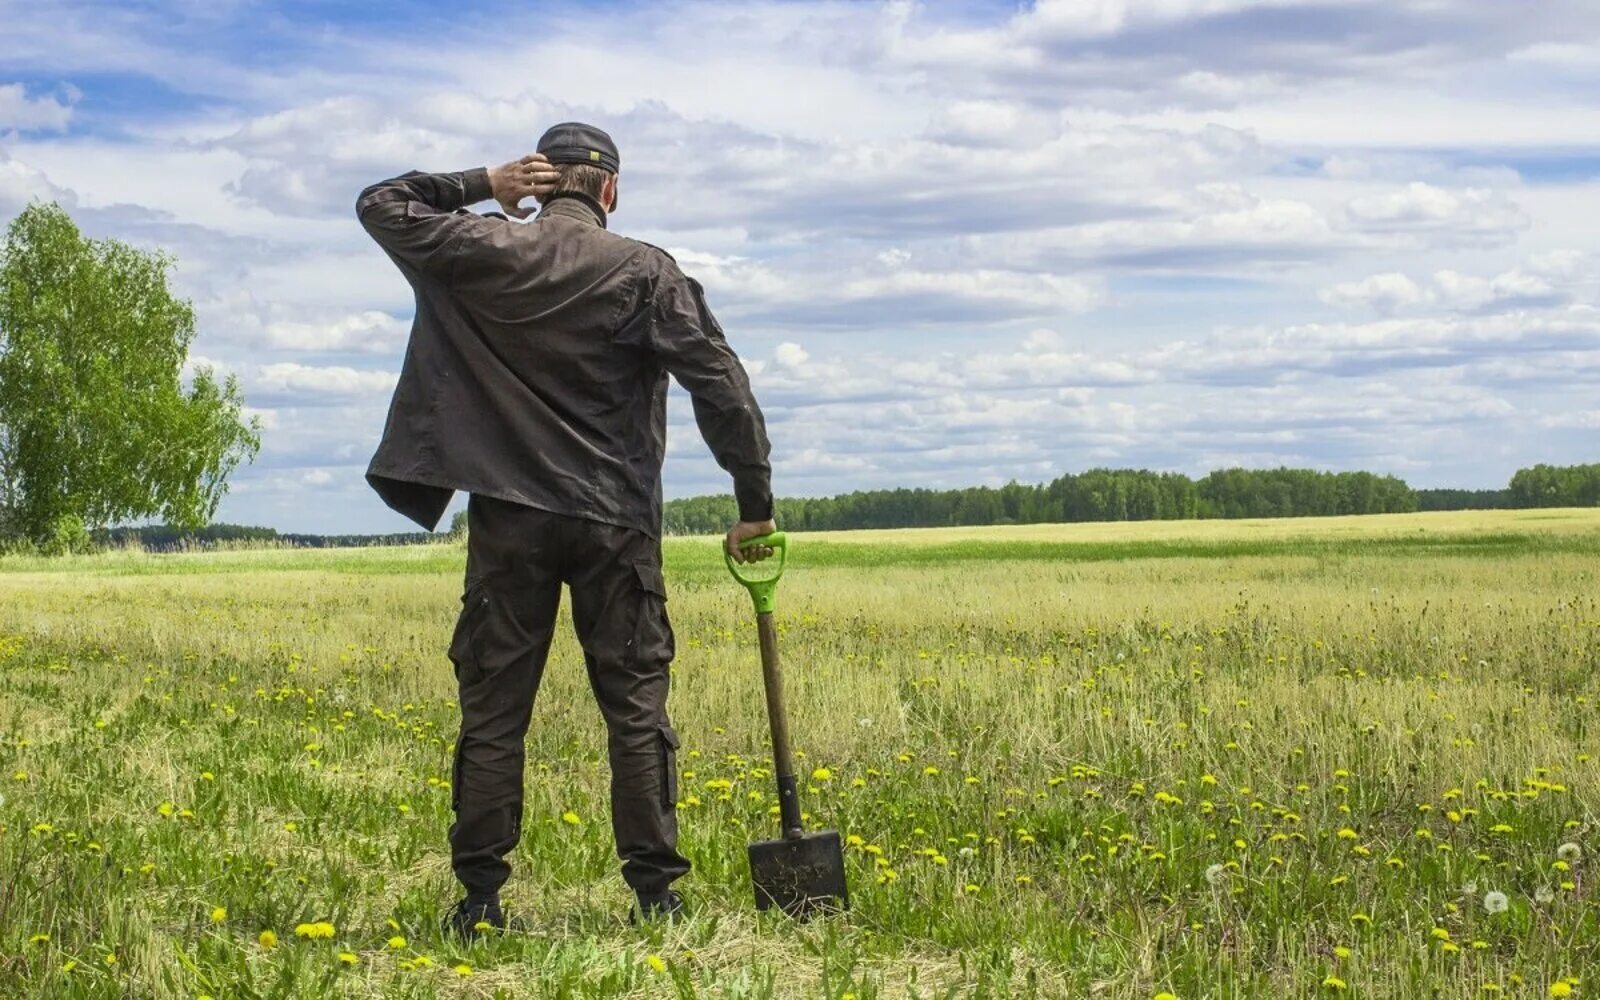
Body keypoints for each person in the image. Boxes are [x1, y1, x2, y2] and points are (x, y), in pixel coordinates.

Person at [355, 122, 777, 936]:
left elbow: (382, 203)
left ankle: (478, 903)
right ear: (610, 191)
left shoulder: (481, 249)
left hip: (509, 519)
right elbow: (721, 385)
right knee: (636, 708)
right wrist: (753, 500)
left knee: (494, 712)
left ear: (540, 182)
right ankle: (657, 898)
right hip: (615, 522)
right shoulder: (647, 271)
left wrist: (484, 180)